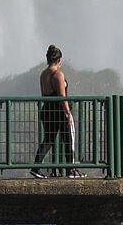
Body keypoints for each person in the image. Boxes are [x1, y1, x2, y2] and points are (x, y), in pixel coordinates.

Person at [30, 45, 86, 179]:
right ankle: (70, 170)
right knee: (68, 139)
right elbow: (62, 96)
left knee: (49, 139)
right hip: (59, 112)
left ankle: (36, 167)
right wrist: (68, 114)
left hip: (47, 110)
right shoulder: (58, 74)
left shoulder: (43, 74)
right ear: (59, 59)